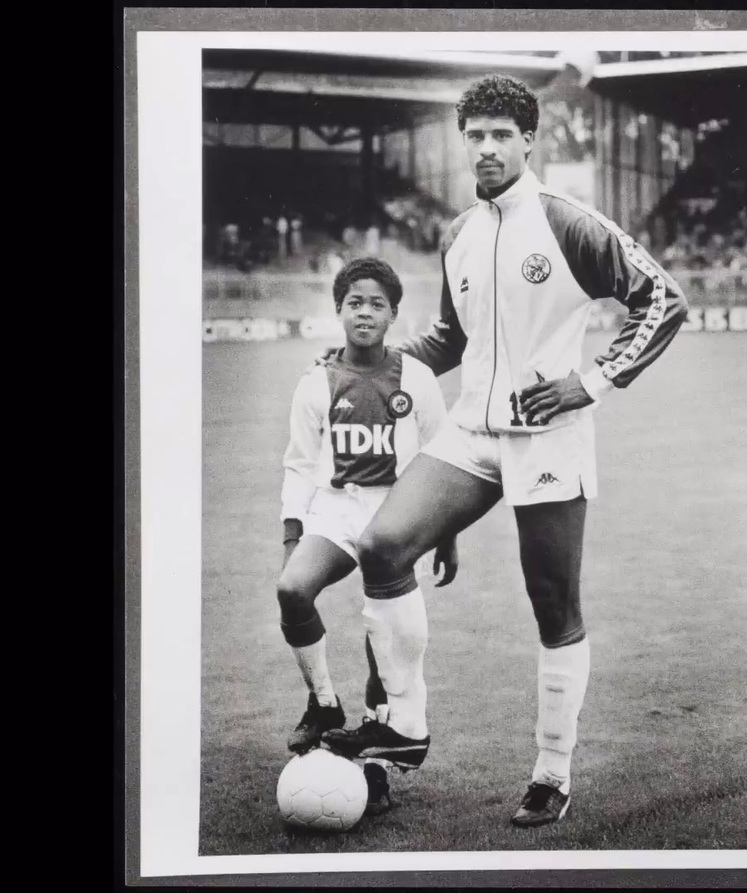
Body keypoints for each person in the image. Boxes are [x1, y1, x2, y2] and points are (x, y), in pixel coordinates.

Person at [320, 74, 688, 827]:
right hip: (469, 432)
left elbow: (664, 299)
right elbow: (451, 341)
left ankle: (552, 773)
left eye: (499, 135)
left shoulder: (569, 223)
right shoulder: (460, 233)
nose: (485, 148)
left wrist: (592, 381)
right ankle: (405, 727)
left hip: (548, 436)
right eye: (475, 136)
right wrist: (367, 359)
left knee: (552, 602)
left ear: (528, 140)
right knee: (383, 545)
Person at [277, 257, 458, 817]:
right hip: (337, 512)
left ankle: (376, 768)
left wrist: (445, 534)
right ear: (338, 310)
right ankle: (326, 703)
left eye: (377, 303)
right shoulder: (317, 382)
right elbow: (299, 465)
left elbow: (443, 458)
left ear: (394, 315)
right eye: (355, 301)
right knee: (292, 590)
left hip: (395, 517)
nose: (365, 311)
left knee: (386, 653)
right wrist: (293, 535)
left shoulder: (417, 379)